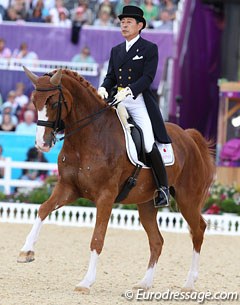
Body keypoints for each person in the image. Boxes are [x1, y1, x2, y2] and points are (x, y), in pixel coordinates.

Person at [97, 5, 171, 207]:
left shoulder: (149, 48)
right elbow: (111, 76)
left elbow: (148, 77)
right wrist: (104, 88)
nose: (124, 25)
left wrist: (129, 90)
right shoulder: (116, 50)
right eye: (122, 22)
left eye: (128, 22)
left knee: (147, 143)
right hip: (117, 99)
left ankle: (163, 188)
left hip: (137, 101)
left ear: (139, 26)